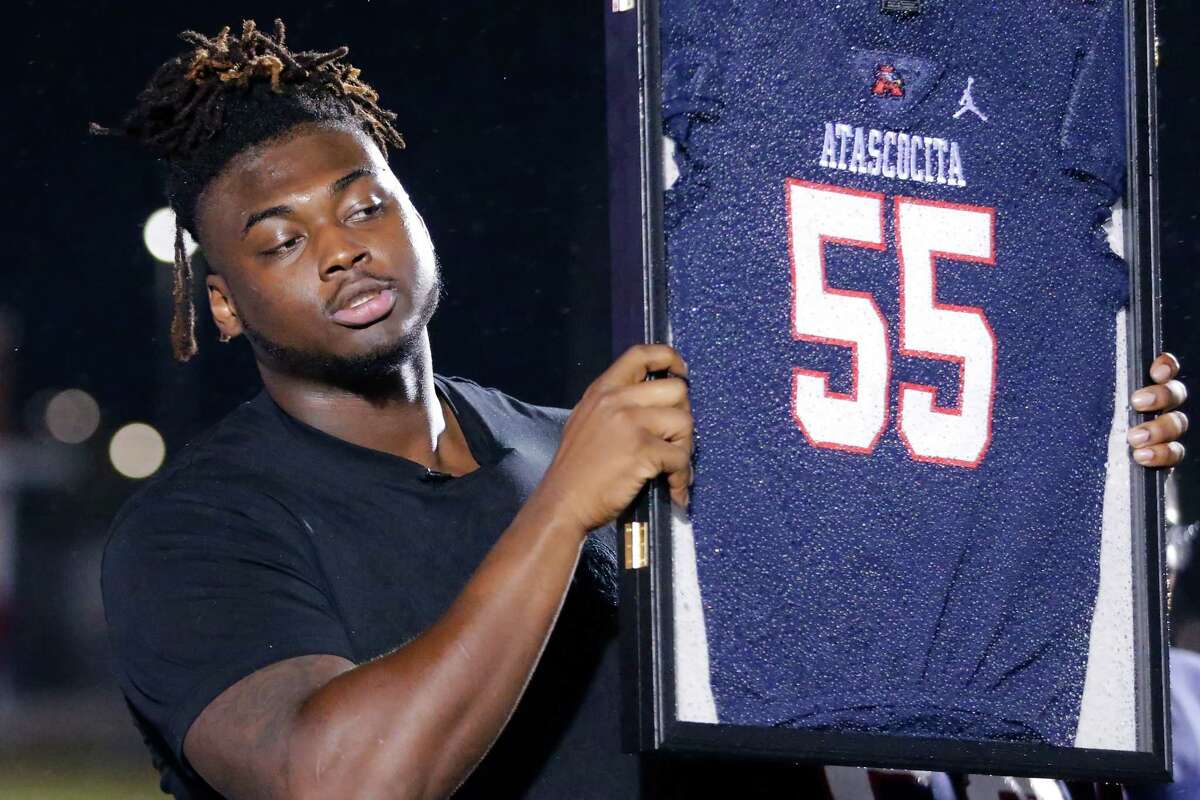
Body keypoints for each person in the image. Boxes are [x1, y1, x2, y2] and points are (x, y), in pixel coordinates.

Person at [92, 19, 1188, 800]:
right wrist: (565, 506)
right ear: (223, 304)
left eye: (365, 202)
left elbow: (862, 562)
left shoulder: (576, 436)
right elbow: (341, 782)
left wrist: (1079, 439)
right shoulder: (197, 526)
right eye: (281, 240)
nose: (339, 248)